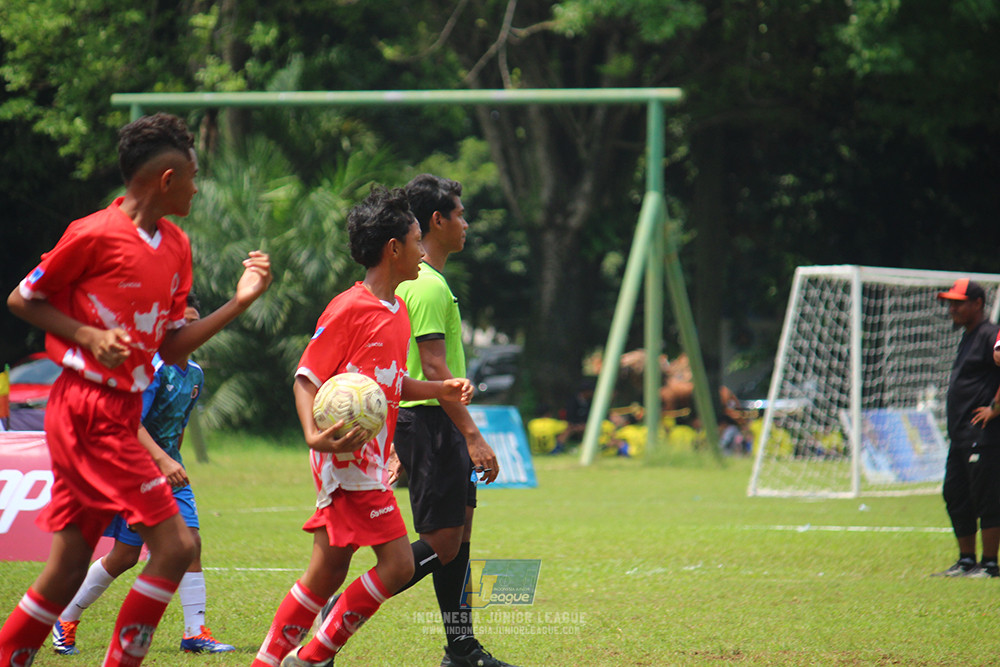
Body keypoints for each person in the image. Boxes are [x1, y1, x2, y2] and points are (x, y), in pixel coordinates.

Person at [0, 112, 272, 667]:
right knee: (176, 546)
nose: (199, 187)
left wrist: (240, 302)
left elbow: (172, 346)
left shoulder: (176, 246)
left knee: (68, 568)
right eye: (194, 176)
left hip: (117, 412)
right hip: (87, 410)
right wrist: (86, 335)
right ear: (167, 180)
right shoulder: (93, 233)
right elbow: (23, 299)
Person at [252, 186, 473, 667]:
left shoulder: (398, 310)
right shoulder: (349, 307)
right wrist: (313, 434)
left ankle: (269, 662)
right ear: (394, 248)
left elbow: (391, 387)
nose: (421, 251)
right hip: (345, 456)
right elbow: (307, 379)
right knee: (395, 565)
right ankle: (310, 659)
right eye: (416, 241)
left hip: (368, 460)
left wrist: (441, 390)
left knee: (326, 572)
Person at [51, 294, 235, 656]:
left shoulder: (194, 373)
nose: (191, 331)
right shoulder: (151, 369)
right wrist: (161, 462)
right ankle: (65, 618)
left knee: (191, 543)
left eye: (195, 324)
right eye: (183, 324)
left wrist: (173, 460)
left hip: (169, 471)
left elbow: (177, 424)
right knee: (124, 557)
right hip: (135, 469)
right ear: (166, 329)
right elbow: (128, 421)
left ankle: (195, 632)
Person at [390, 173, 518, 667]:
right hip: (431, 422)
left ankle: (461, 648)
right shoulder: (425, 285)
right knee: (442, 540)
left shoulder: (430, 281)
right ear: (437, 220)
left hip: (437, 420)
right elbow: (436, 369)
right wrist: (474, 436)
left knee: (458, 536)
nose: (467, 223)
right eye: (460, 214)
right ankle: (340, 613)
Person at [932, 279, 1000, 578]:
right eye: (950, 303)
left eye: (959, 303)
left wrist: (995, 408)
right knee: (956, 494)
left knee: (987, 497)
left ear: (977, 304)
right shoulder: (969, 337)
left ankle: (989, 563)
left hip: (983, 437)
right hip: (961, 436)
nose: (952, 309)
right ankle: (966, 560)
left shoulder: (989, 333)